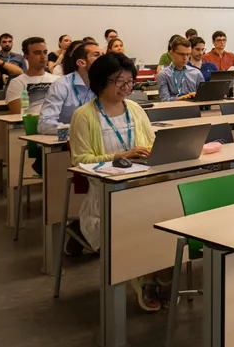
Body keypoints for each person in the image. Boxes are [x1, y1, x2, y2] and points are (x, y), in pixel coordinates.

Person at [69, 53, 159, 312]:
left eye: (130, 82)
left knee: (168, 218)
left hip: (144, 188)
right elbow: (80, 160)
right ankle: (146, 277)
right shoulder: (84, 116)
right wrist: (119, 156)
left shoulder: (137, 110)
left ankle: (158, 273)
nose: (126, 88)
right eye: (119, 82)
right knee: (141, 226)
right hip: (108, 196)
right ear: (100, 81)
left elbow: (152, 145)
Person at [38, 41, 102, 134]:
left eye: (103, 55)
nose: (103, 59)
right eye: (96, 55)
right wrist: (79, 130)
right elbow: (44, 124)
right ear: (81, 62)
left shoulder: (105, 85)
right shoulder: (62, 85)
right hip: (68, 142)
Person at [5, 37, 58, 115]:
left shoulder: (57, 80)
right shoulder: (17, 83)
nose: (43, 57)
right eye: (37, 53)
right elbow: (19, 115)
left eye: (45, 52)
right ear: (26, 57)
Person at [157, 36, 204, 101]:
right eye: (181, 54)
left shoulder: (196, 73)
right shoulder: (163, 74)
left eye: (188, 54)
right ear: (171, 53)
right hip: (173, 109)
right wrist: (184, 97)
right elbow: (165, 100)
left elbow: (203, 97)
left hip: (194, 108)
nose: (185, 58)